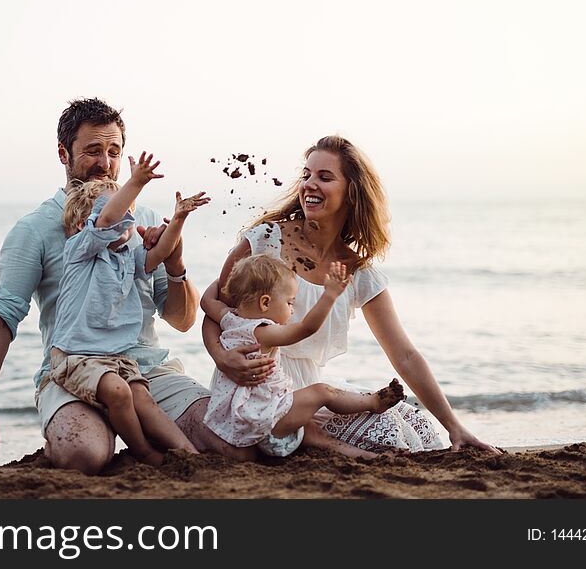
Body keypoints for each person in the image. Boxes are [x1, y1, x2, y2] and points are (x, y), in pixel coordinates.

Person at [0, 98, 256, 473]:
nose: (105, 163)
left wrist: (176, 263)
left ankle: (141, 445)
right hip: (73, 369)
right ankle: (119, 439)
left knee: (230, 444)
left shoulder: (142, 219)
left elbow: (181, 320)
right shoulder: (34, 229)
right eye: (92, 151)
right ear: (63, 154)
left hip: (144, 370)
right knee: (82, 454)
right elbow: (2, 315)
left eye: (114, 151)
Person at [202, 135, 501, 455]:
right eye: (307, 175)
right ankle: (311, 438)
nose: (309, 185)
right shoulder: (265, 240)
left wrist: (455, 426)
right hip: (253, 393)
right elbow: (216, 311)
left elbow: (405, 356)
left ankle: (317, 437)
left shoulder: (357, 272)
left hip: (313, 392)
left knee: (414, 427)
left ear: (351, 192)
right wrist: (222, 357)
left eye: (324, 177)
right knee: (386, 435)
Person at [47, 151, 209, 466]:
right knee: (120, 393)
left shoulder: (124, 256)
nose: (127, 223)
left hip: (116, 356)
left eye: (130, 217)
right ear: (85, 224)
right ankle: (143, 452)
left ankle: (190, 455)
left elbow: (160, 252)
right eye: (120, 214)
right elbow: (107, 221)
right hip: (77, 356)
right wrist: (135, 182)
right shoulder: (80, 250)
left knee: (143, 399)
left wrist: (178, 219)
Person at [201, 253, 405, 458]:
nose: (292, 310)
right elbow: (307, 328)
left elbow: (206, 301)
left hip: (243, 422)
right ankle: (373, 403)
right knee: (323, 392)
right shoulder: (263, 332)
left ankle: (370, 457)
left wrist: (223, 279)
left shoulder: (229, 318)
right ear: (265, 303)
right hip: (268, 422)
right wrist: (330, 295)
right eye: (290, 303)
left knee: (315, 436)